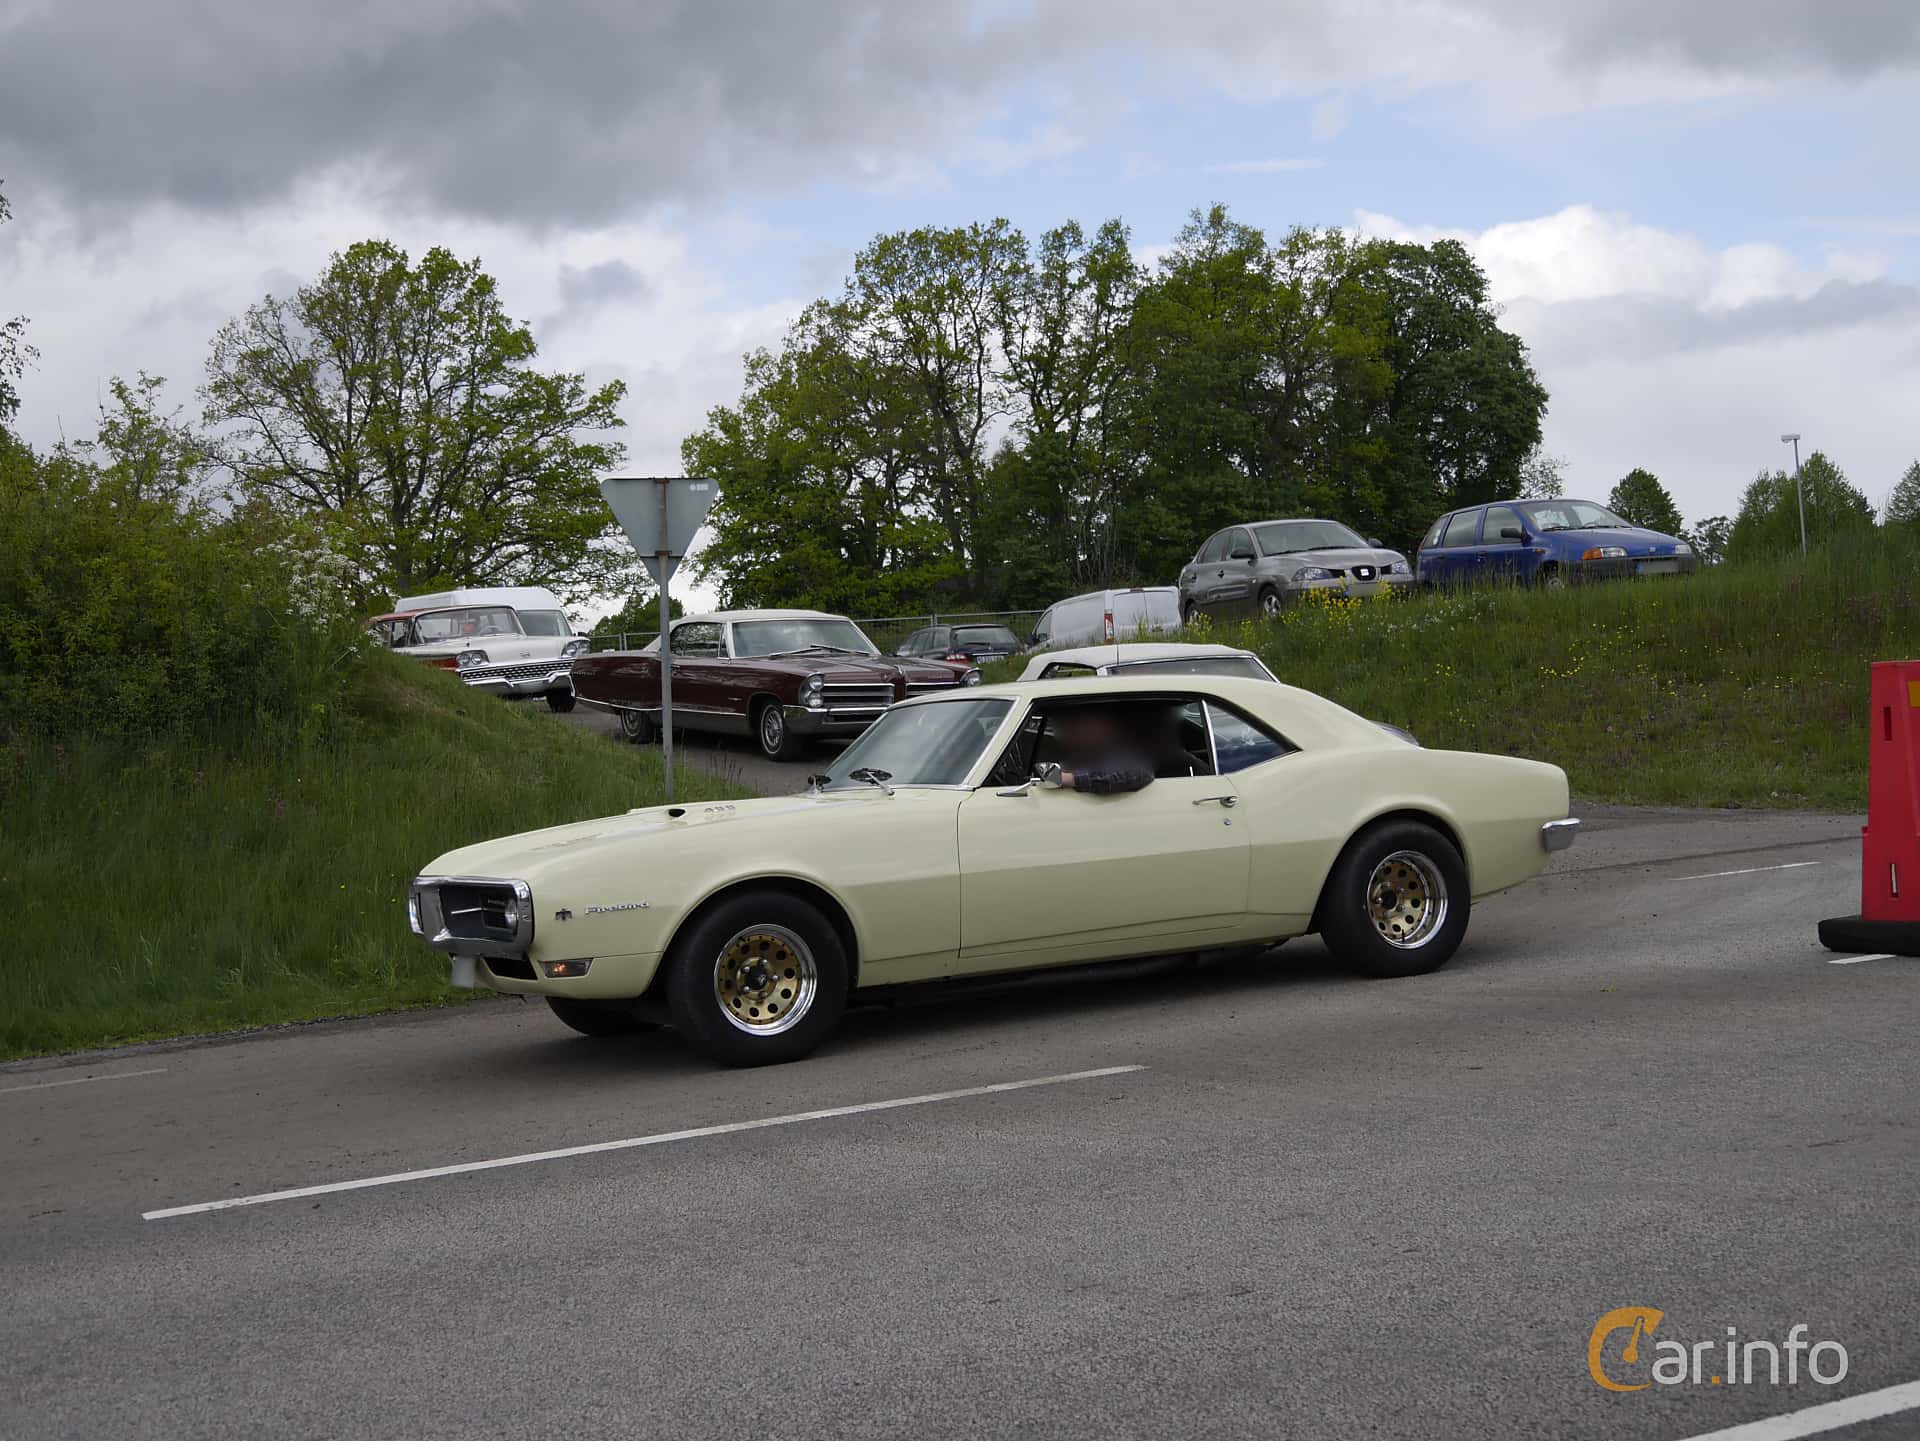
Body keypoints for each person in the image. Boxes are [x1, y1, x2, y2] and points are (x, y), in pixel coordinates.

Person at [1037, 707, 1155, 795]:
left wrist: (1069, 779)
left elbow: (1138, 772)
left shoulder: (1122, 754)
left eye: (1083, 724)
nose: (1071, 732)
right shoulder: (1077, 755)